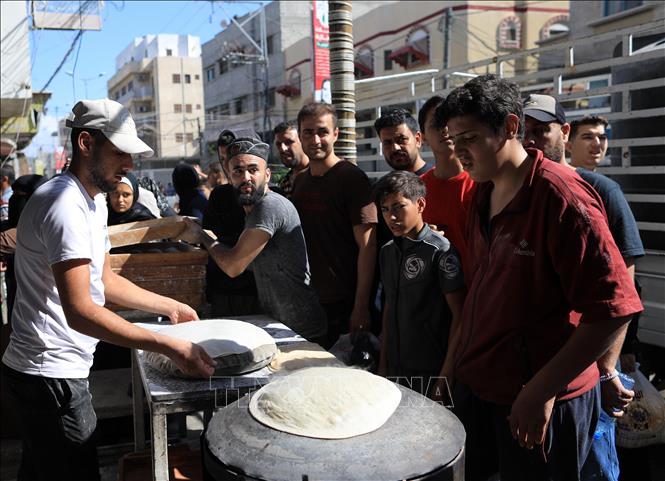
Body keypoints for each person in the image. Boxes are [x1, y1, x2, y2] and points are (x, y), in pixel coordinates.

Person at [436, 75, 642, 481]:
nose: (460, 154)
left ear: (511, 127)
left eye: (470, 140)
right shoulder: (482, 192)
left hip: (542, 404)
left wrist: (543, 388)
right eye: (453, 142)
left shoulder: (562, 199)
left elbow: (614, 308)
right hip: (484, 389)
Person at [1, 99, 215, 481]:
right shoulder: (64, 204)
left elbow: (105, 281)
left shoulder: (93, 201)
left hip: (53, 372)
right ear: (86, 144)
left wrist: (170, 306)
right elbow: (81, 310)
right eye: (120, 153)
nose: (129, 166)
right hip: (49, 377)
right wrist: (168, 344)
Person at [523, 96, 644, 481]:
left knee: (594, 465)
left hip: (590, 370)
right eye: (525, 131)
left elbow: (621, 287)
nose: (533, 140)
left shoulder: (598, 189)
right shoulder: (518, 191)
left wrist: (607, 368)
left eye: (542, 129)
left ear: (564, 132)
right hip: (542, 370)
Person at [180, 135, 326, 341]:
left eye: (253, 169)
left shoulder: (270, 207)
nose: (246, 177)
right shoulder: (252, 210)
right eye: (238, 171)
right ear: (229, 178)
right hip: (280, 325)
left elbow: (233, 266)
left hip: (301, 330)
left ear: (267, 175)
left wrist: (202, 236)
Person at [291, 103, 378, 348]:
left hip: (344, 302)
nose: (315, 139)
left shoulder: (351, 178)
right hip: (309, 300)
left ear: (336, 134)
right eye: (308, 132)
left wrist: (361, 306)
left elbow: (368, 247)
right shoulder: (299, 182)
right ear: (299, 135)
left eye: (322, 132)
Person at [374, 171, 465, 398]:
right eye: (385, 209)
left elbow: (460, 317)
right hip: (395, 369)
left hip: (431, 371)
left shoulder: (440, 251)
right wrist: (383, 365)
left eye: (398, 207)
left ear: (421, 204)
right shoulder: (387, 252)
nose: (391, 217)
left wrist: (446, 376)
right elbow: (389, 307)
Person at [202, 129, 259, 317]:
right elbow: (208, 237)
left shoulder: (269, 199)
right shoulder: (219, 195)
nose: (227, 165)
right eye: (223, 158)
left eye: (232, 157)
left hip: (258, 292)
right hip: (223, 291)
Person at [419, 95, 476, 280]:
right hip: (435, 293)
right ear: (423, 136)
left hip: (477, 287)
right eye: (436, 123)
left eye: (448, 121)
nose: (444, 129)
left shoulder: (482, 182)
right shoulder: (417, 189)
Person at [374, 108, 430, 176]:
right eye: (387, 143)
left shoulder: (439, 180)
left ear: (418, 140)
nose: (395, 148)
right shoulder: (385, 185)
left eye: (401, 140)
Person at [273, 121, 310, 199]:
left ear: (303, 141)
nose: (283, 149)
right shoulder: (285, 183)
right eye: (279, 144)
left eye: (289, 142)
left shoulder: (317, 174)